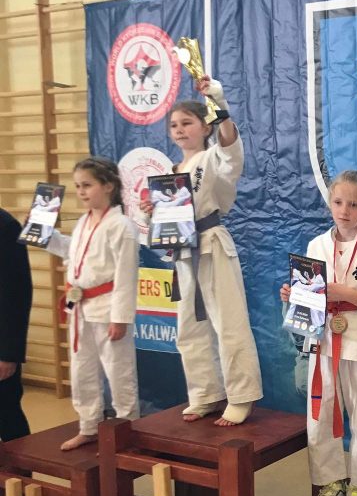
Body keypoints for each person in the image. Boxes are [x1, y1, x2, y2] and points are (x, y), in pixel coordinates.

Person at [142, 76, 262, 427]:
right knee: (189, 328)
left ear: (205, 127)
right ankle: (205, 393)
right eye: (174, 125)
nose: (180, 130)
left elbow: (231, 152)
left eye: (187, 123)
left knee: (229, 324)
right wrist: (152, 213)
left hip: (211, 247)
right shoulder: (170, 172)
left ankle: (241, 395)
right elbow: (167, 221)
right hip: (183, 252)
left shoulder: (211, 158)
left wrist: (218, 102)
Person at [280, 170, 357, 496]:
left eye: (354, 205)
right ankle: (331, 482)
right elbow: (311, 291)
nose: (345, 211)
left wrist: (346, 294)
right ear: (330, 203)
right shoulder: (317, 245)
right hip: (323, 339)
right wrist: (294, 296)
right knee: (320, 414)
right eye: (339, 202)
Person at [46, 158, 140, 451]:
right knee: (81, 370)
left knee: (119, 371)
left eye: (87, 185)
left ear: (108, 186)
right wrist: (44, 235)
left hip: (108, 307)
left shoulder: (121, 226)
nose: (81, 192)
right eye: (77, 186)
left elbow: (126, 275)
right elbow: (72, 254)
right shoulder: (83, 222)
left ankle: (127, 431)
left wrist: (120, 317)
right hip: (80, 307)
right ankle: (88, 426)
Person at [0, 208, 33, 441]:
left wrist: (9, 354)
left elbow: (17, 294)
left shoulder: (5, 226)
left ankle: (20, 466)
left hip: (2, 342)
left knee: (7, 412)